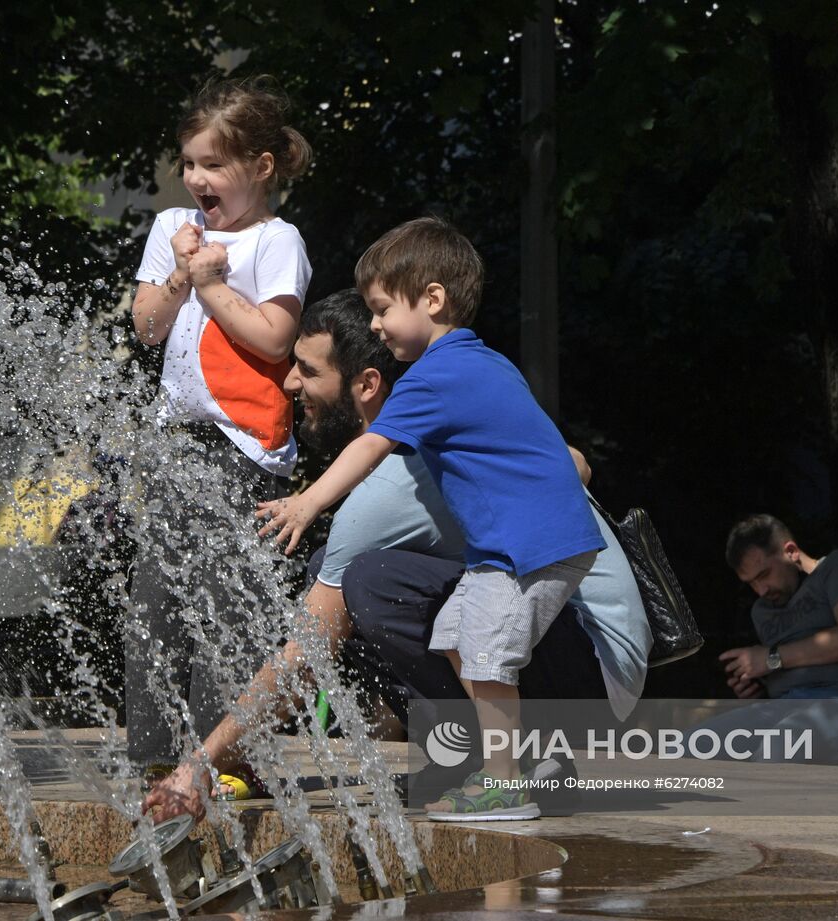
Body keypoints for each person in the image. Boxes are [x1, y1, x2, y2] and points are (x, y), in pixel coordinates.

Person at [142, 290, 649, 823]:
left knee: (370, 584)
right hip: (566, 643)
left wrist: (199, 762)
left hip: (593, 670)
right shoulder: (454, 420)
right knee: (336, 580)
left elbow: (307, 653)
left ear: (366, 385)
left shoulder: (393, 484)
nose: (290, 383)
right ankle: (473, 752)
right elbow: (577, 464)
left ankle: (518, 759)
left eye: (308, 370)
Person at [257, 217, 604, 820]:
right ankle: (519, 759)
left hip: (531, 547)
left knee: (488, 656)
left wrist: (308, 500)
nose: (374, 324)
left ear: (434, 300)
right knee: (452, 638)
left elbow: (370, 446)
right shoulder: (486, 362)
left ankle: (506, 782)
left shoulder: (432, 375)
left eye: (383, 308)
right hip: (516, 545)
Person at [126, 76, 313, 765]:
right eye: (189, 164)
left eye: (212, 164)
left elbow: (273, 338)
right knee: (155, 604)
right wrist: (182, 275)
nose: (196, 178)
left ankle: (223, 762)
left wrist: (210, 281)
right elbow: (147, 326)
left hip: (242, 452)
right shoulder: (174, 232)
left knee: (226, 612)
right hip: (178, 443)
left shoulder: (275, 240)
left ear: (261, 168)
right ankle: (151, 759)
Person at [719, 515, 838, 699]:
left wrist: (770, 659)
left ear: (791, 551)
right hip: (782, 708)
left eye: (764, 575)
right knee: (700, 729)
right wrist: (758, 685)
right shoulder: (761, 610)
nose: (761, 590)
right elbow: (787, 666)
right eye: (751, 583)